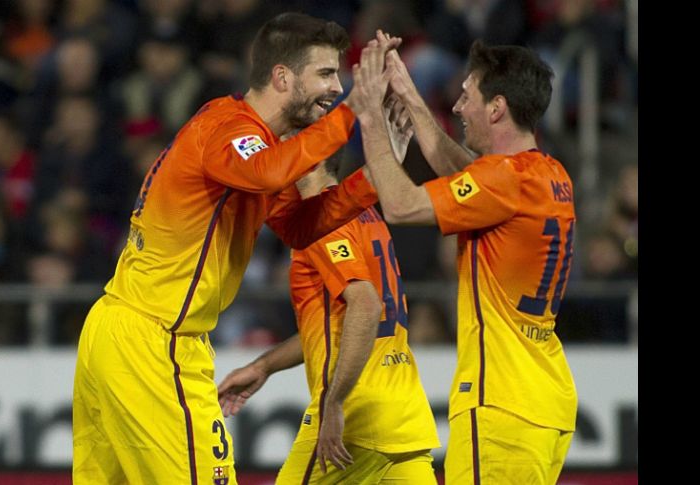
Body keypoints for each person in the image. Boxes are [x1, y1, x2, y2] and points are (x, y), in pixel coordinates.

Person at [71, 14, 401, 485]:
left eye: (341, 76)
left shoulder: (254, 144)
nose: (338, 87)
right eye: (326, 74)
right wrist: (356, 114)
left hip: (120, 329)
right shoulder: (230, 129)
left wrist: (376, 175)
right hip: (155, 341)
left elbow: (297, 226)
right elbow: (266, 173)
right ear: (282, 76)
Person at [351, 33, 577, 485]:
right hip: (545, 400)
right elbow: (468, 177)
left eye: (466, 96)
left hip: (499, 405)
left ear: (496, 108)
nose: (456, 108)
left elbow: (399, 205)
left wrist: (370, 116)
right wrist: (412, 98)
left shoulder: (501, 181)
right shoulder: (548, 175)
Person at [217, 146, 439, 485]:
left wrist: (334, 403)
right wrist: (264, 366)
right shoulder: (362, 211)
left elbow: (365, 306)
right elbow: (339, 324)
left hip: (355, 415)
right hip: (403, 417)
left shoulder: (322, 219)